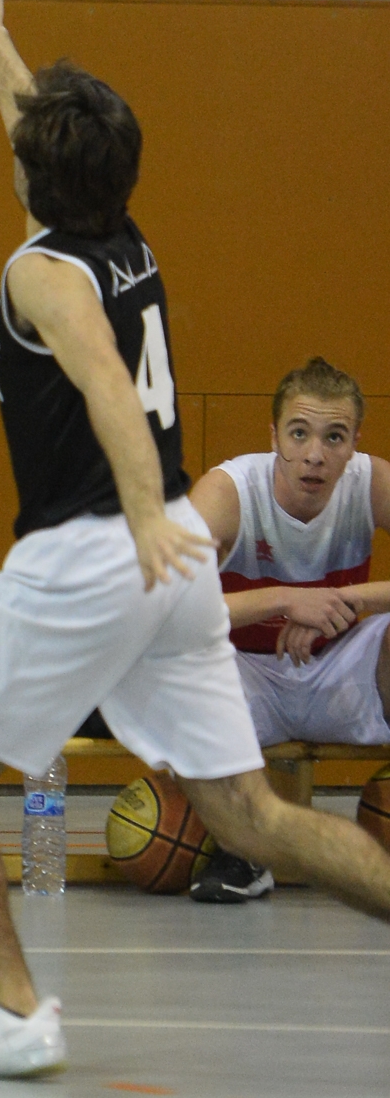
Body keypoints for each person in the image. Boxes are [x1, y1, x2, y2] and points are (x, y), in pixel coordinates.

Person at [0, 0, 390, 1079]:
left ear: (39, 177)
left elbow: (112, 393)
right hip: (169, 563)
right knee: (251, 817)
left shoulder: (41, 275)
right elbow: (39, 146)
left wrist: (135, 515)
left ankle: (16, 1018)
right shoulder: (125, 239)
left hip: (97, 554)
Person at [187, 357, 390, 904]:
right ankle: (243, 850)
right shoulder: (229, 491)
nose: (315, 454)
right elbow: (164, 605)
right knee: (171, 649)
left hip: (338, 671)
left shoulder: (371, 483)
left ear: (354, 445)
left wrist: (350, 600)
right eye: (299, 433)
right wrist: (285, 599)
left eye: (334, 437)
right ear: (273, 436)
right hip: (242, 676)